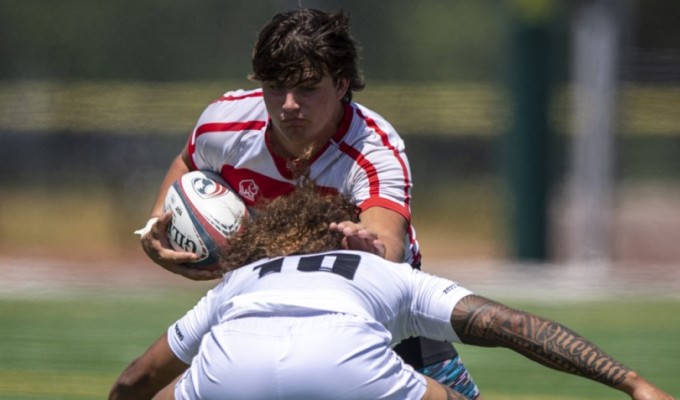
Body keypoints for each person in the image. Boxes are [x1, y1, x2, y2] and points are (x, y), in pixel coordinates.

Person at [136, 8, 479, 398]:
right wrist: (155, 229)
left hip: (375, 315)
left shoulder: (373, 149)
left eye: (308, 88)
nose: (289, 104)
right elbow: (187, 162)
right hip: (262, 309)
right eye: (275, 86)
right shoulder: (225, 124)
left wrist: (371, 250)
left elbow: (389, 245)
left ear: (341, 83)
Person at [112, 181, 674, 400]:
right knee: (450, 393)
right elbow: (513, 327)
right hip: (342, 364)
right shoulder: (380, 271)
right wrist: (631, 382)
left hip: (234, 372)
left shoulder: (241, 279)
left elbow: (136, 377)